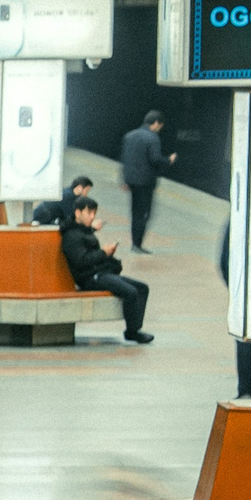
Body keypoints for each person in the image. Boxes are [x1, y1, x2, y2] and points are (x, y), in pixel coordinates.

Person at [57, 195, 154, 344]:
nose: (92, 217)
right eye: (89, 213)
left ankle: (134, 329)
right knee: (131, 292)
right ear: (78, 213)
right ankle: (132, 331)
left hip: (101, 272)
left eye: (94, 213)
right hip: (90, 278)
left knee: (142, 288)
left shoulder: (83, 230)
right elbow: (81, 261)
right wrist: (104, 252)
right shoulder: (71, 236)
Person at [119, 109, 174, 252]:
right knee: (144, 213)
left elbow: (124, 160)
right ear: (156, 123)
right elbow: (155, 159)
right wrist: (168, 160)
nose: (159, 129)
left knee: (135, 212)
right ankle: (137, 244)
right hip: (145, 182)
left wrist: (124, 180)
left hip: (131, 181)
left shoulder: (129, 136)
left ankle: (134, 243)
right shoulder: (153, 138)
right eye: (160, 126)